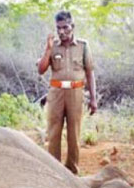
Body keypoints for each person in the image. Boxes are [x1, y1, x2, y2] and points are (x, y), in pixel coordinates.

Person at [37, 10, 97, 174]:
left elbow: (90, 73)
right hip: (56, 93)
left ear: (73, 26)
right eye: (59, 28)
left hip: (76, 93)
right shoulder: (53, 46)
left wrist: (93, 99)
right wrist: (48, 49)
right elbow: (41, 70)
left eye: (65, 27)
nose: (62, 32)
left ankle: (72, 171)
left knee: (74, 134)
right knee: (53, 132)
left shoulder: (83, 46)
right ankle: (54, 171)